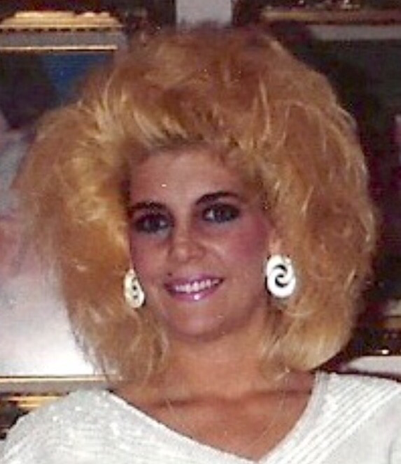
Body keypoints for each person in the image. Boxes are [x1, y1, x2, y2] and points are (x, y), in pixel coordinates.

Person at [1, 26, 400, 463]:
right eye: (153, 222)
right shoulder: (61, 446)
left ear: (280, 230)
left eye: (217, 214)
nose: (182, 246)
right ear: (121, 245)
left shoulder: (382, 427)